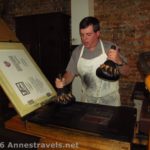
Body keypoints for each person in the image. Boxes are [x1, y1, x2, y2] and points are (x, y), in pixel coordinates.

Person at [55, 16, 130, 106]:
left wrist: (119, 61)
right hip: (88, 102)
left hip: (110, 102)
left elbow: (127, 72)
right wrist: (63, 81)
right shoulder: (77, 52)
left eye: (88, 34)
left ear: (97, 33)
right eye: (82, 35)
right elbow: (70, 73)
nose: (84, 38)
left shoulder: (109, 48)